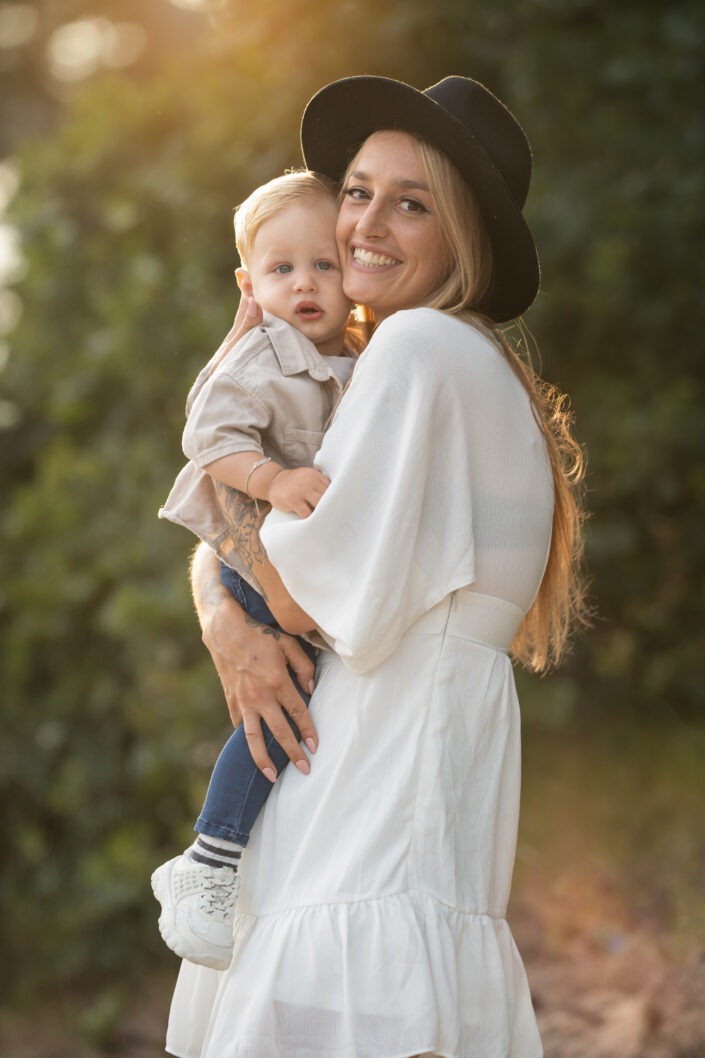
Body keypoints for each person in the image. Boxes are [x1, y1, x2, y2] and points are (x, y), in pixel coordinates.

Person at [165, 74, 589, 1058]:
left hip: (374, 765)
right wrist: (226, 614)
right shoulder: (471, 366)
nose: (365, 222)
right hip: (404, 751)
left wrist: (228, 612)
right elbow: (289, 555)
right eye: (357, 190)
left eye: (411, 201)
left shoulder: (418, 348)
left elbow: (299, 590)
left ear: (465, 235)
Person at [152, 171, 357, 970]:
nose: (303, 283)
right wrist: (271, 480)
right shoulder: (262, 353)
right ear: (249, 284)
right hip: (251, 558)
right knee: (286, 696)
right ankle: (208, 859)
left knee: (299, 699)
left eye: (323, 265)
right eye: (280, 270)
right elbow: (206, 437)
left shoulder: (354, 353)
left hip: (295, 562)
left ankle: (222, 855)